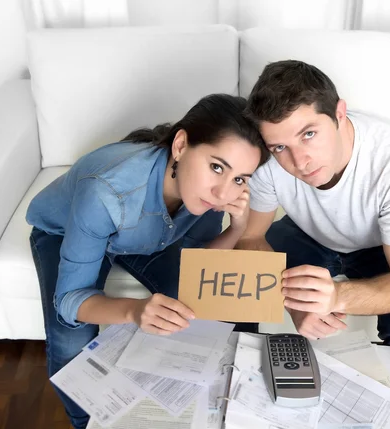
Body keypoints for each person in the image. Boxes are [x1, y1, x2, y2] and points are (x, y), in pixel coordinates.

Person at [26, 93, 269, 429]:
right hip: (64, 231)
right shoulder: (106, 191)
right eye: (216, 167)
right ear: (181, 145)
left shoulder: (207, 197)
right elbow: (69, 301)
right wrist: (134, 311)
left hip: (150, 236)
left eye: (240, 179)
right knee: (71, 341)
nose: (223, 193)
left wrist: (237, 229)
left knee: (194, 304)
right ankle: (85, 422)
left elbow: (196, 266)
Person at [236, 60, 390, 428]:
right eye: (281, 146)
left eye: (309, 134)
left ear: (339, 113)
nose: (299, 161)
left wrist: (335, 296)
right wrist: (290, 298)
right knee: (239, 298)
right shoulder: (269, 160)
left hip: (379, 247)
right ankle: (242, 409)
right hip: (305, 234)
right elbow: (251, 238)